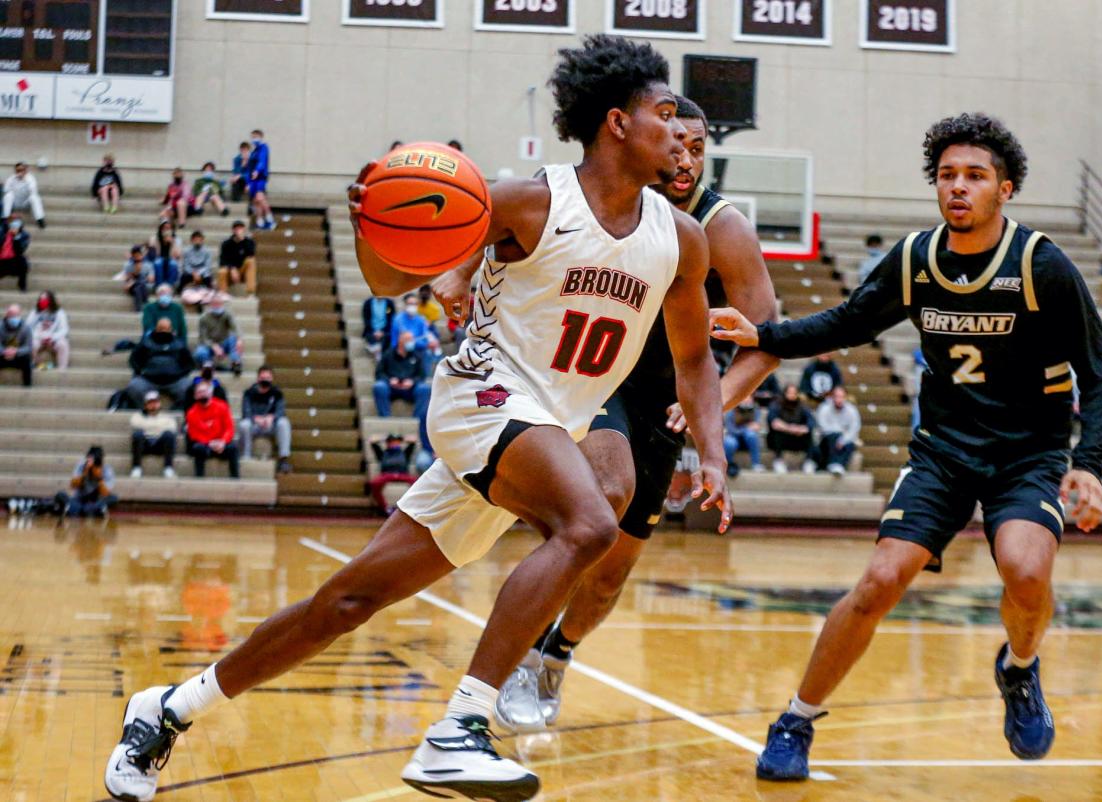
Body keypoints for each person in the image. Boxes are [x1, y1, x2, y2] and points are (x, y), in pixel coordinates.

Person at [105, 34, 729, 802]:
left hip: (542, 426)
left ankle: (169, 708)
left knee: (347, 602)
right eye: (666, 115)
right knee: (593, 521)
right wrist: (376, 224)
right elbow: (390, 279)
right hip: (481, 397)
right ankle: (458, 732)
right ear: (617, 125)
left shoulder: (683, 240)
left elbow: (697, 360)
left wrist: (715, 455)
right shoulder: (530, 199)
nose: (683, 134)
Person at [710, 113, 1102, 775]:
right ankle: (796, 720)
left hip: (1028, 455)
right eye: (947, 175)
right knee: (878, 580)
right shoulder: (915, 260)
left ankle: (1019, 668)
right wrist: (765, 336)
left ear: (1004, 189)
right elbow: (847, 323)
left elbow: (1099, 372)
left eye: (974, 176)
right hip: (944, 451)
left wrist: (1089, 465)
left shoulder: (1041, 264)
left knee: (1026, 569)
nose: (958, 187)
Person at [489, 94, 778, 736]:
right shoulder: (587, 195)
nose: (685, 157)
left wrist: (711, 411)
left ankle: (554, 655)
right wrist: (460, 276)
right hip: (588, 376)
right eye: (677, 140)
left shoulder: (720, 227)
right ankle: (512, 654)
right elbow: (506, 233)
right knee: (587, 514)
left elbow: (768, 337)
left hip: (661, 394)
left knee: (612, 568)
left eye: (699, 148)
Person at [125, 318, 195, 409]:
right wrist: (141, 371)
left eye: (166, 329)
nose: (163, 331)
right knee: (134, 386)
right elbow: (134, 360)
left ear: (171, 329)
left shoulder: (179, 344)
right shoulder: (145, 343)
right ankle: (145, 408)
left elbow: (189, 363)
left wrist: (180, 373)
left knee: (190, 388)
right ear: (156, 329)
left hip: (175, 381)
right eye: (161, 328)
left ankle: (178, 408)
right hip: (148, 380)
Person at [240, 365, 292, 474]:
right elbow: (246, 412)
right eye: (262, 378)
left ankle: (283, 459)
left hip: (270, 425)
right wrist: (256, 418)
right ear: (258, 378)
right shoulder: (249, 393)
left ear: (272, 379)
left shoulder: (277, 393)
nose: (265, 380)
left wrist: (271, 417)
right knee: (244, 424)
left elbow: (281, 411)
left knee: (284, 422)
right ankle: (246, 456)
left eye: (268, 378)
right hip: (254, 425)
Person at [184, 381, 239, 478]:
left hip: (221, 444)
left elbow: (229, 428)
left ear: (210, 393)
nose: (202, 394)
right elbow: (193, 434)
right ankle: (199, 478)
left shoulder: (222, 406)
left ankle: (235, 479)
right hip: (205, 446)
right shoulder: (191, 413)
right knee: (197, 448)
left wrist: (222, 441)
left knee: (233, 448)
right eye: (199, 392)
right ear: (195, 396)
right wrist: (209, 443)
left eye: (204, 391)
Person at [372, 331, 428, 421]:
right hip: (391, 387)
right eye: (408, 340)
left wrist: (412, 381)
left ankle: (417, 421)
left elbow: (422, 375)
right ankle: (385, 419)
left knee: (424, 389)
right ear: (400, 341)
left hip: (410, 388)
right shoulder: (388, 354)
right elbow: (379, 373)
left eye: (412, 339)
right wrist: (389, 380)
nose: (411, 342)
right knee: (379, 386)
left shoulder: (417, 356)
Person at [767, 383, 816, 473]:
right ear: (785, 393)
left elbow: (811, 422)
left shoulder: (802, 406)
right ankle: (779, 461)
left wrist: (802, 429)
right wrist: (790, 428)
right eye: (789, 392)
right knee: (777, 433)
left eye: (794, 393)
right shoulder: (776, 405)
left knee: (809, 434)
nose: (792, 395)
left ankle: (809, 462)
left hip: (797, 438)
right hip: (781, 438)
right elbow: (774, 422)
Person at [55, 447, 117, 517]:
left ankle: (87, 510)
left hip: (95, 501)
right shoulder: (81, 466)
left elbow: (106, 493)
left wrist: (99, 478)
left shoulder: (106, 469)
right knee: (61, 495)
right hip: (79, 499)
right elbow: (72, 485)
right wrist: (84, 474)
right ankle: (89, 511)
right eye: (89, 459)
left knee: (113, 498)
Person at [366, 433, 420, 513]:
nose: (394, 443)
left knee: (419, 484)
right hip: (387, 475)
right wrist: (385, 438)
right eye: (391, 442)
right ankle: (385, 508)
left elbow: (414, 440)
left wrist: (401, 438)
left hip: (402, 475)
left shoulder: (405, 453)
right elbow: (372, 440)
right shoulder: (382, 453)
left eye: (396, 442)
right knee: (374, 483)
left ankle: (411, 508)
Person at [813, 386, 860, 475]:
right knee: (834, 437)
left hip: (844, 440)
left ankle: (838, 465)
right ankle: (833, 463)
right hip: (826, 439)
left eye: (841, 397)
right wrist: (839, 434)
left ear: (846, 397)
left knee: (849, 444)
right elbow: (823, 427)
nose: (839, 399)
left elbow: (854, 428)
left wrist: (843, 440)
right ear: (832, 397)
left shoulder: (852, 411)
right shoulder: (824, 408)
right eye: (837, 396)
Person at [129, 391, 178, 479]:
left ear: (159, 403)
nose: (153, 405)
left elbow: (172, 428)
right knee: (137, 434)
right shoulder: (138, 416)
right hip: (144, 445)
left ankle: (168, 468)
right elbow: (134, 424)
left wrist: (147, 426)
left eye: (155, 402)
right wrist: (159, 427)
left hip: (160, 445)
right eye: (150, 402)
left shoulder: (168, 417)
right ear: (145, 404)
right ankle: (136, 468)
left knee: (169, 435)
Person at [194, 296, 242, 375]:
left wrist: (239, 339)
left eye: (219, 304)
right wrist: (214, 346)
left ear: (222, 304)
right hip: (209, 344)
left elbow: (235, 327)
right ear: (210, 305)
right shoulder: (203, 318)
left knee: (233, 339)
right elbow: (203, 338)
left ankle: (236, 363)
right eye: (215, 304)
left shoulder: (227, 314)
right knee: (200, 352)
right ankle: (208, 366)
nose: (217, 306)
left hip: (224, 342)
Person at [25, 290, 69, 370]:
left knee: (63, 344)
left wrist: (52, 338)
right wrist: (38, 337)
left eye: (45, 299)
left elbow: (64, 329)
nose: (42, 301)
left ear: (51, 300)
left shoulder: (60, 312)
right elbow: (27, 327)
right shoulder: (35, 312)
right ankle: (32, 365)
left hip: (53, 339)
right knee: (32, 344)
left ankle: (62, 368)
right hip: (38, 338)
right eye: (41, 299)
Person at [724, 394, 763, 476]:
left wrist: (748, 429)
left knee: (752, 435)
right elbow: (731, 429)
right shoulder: (732, 409)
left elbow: (757, 425)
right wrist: (746, 429)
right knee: (729, 442)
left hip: (748, 439)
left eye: (749, 398)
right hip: (734, 437)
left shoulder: (756, 409)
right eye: (744, 398)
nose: (746, 400)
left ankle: (756, 464)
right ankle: (727, 465)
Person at [219, 221, 256, 296]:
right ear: (233, 230)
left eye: (240, 228)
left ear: (244, 229)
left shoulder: (249, 242)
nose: (239, 230)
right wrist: (232, 268)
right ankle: (223, 294)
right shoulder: (226, 244)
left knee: (251, 261)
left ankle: (251, 290)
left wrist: (242, 240)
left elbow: (251, 254)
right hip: (230, 271)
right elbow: (222, 260)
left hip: (243, 270)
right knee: (222, 271)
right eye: (236, 228)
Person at [246, 129, 274, 230]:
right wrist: (248, 182)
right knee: (256, 201)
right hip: (253, 179)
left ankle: (270, 218)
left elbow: (262, 162)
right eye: (252, 137)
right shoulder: (254, 151)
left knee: (260, 198)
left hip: (260, 177)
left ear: (261, 137)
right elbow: (249, 168)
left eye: (256, 137)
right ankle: (260, 221)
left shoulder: (264, 148)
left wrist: (257, 171)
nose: (254, 139)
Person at [3, 162, 45, 227]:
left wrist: (25, 179)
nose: (20, 172)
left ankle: (39, 219)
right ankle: (6, 217)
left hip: (25, 203)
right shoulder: (11, 178)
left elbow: (34, 191)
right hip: (15, 203)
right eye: (18, 170)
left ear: (25, 170)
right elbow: (5, 190)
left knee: (34, 197)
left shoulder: (30, 178)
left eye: (22, 170)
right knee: (8, 195)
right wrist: (13, 183)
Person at [0, 303, 32, 386]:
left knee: (27, 358)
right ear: (7, 315)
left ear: (20, 315)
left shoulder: (26, 327)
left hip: (18, 357)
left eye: (16, 315)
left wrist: (16, 351)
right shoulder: (0, 326)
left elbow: (28, 347)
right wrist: (4, 351)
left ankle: (27, 385)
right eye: (11, 314)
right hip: (3, 356)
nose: (14, 317)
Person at [148, 220, 183, 288]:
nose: (166, 230)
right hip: (158, 264)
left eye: (168, 228)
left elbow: (178, 256)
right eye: (164, 228)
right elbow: (152, 256)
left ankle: (169, 287)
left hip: (172, 263)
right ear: (160, 229)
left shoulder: (177, 240)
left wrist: (172, 243)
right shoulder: (154, 239)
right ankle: (160, 287)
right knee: (158, 262)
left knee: (173, 263)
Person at [0, 215, 30, 291]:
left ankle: (22, 286)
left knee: (23, 262)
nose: (13, 227)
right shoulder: (2, 232)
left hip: (14, 260)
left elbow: (20, 251)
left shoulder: (24, 236)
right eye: (12, 224)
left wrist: (16, 237)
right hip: (1, 260)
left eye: (16, 225)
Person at [361, 295, 396, 359]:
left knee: (388, 337)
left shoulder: (389, 303)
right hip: (371, 330)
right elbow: (366, 319)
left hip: (385, 330)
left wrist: (382, 331)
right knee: (370, 335)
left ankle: (378, 350)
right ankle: (377, 350)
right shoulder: (368, 303)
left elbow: (391, 319)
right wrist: (374, 331)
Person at [122, 246, 154, 311]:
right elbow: (126, 281)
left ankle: (138, 309)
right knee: (138, 286)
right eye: (135, 255)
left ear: (142, 255)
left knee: (138, 288)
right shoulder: (128, 265)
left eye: (139, 255)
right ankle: (146, 303)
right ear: (132, 256)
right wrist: (136, 272)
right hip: (132, 286)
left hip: (144, 286)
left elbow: (151, 279)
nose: (137, 257)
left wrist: (135, 280)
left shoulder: (148, 265)